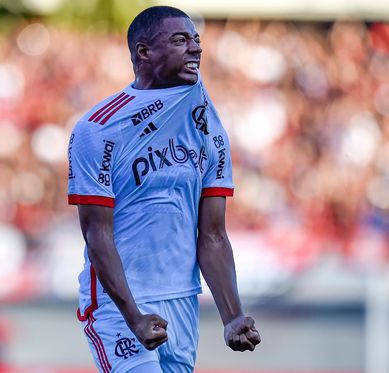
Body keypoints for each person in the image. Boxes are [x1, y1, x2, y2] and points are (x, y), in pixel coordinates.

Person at [67, 6, 261, 372]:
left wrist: (232, 316)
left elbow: (214, 234)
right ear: (144, 52)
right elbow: (97, 234)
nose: (196, 49)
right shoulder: (98, 129)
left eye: (197, 40)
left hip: (182, 300)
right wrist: (133, 315)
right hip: (120, 304)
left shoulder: (209, 130)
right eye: (180, 40)